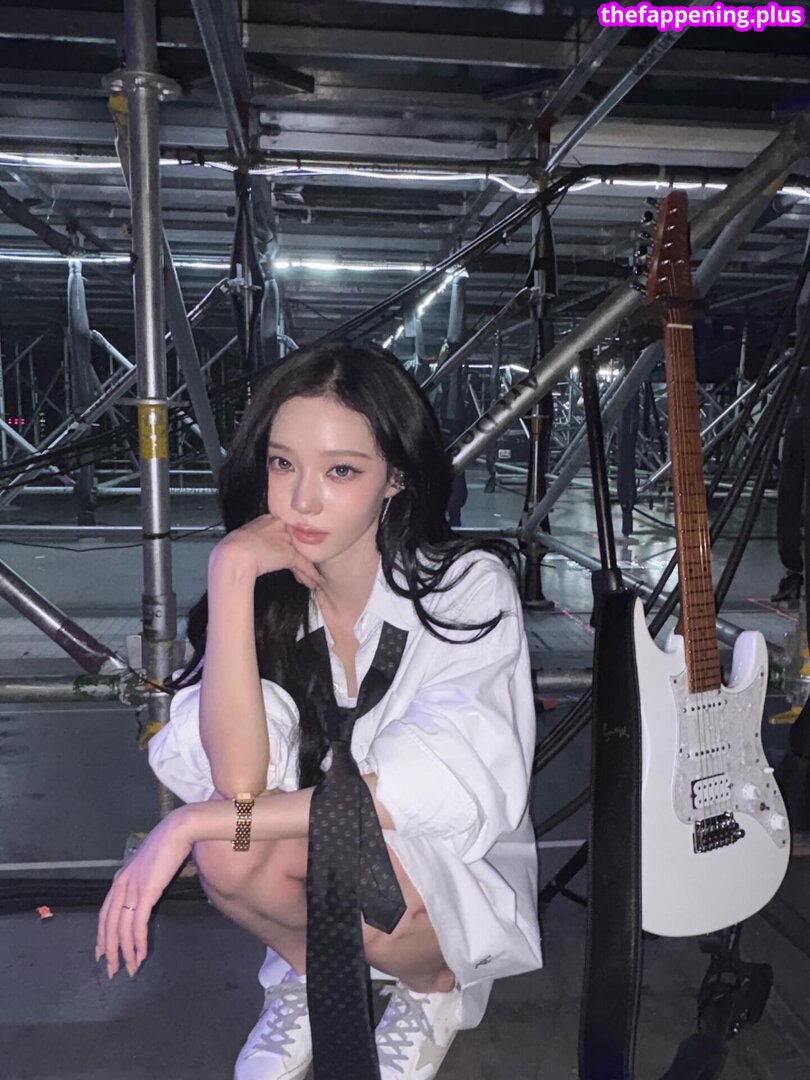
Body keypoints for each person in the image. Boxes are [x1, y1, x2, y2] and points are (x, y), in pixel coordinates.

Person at [95, 341, 542, 1080]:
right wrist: (232, 574)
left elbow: (426, 787)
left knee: (312, 851)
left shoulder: (464, 588)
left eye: (341, 471)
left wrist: (188, 821)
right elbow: (240, 784)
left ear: (395, 476)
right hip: (326, 849)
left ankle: (431, 990)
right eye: (283, 464)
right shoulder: (268, 598)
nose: (302, 501)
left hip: (432, 866)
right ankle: (309, 976)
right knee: (231, 850)